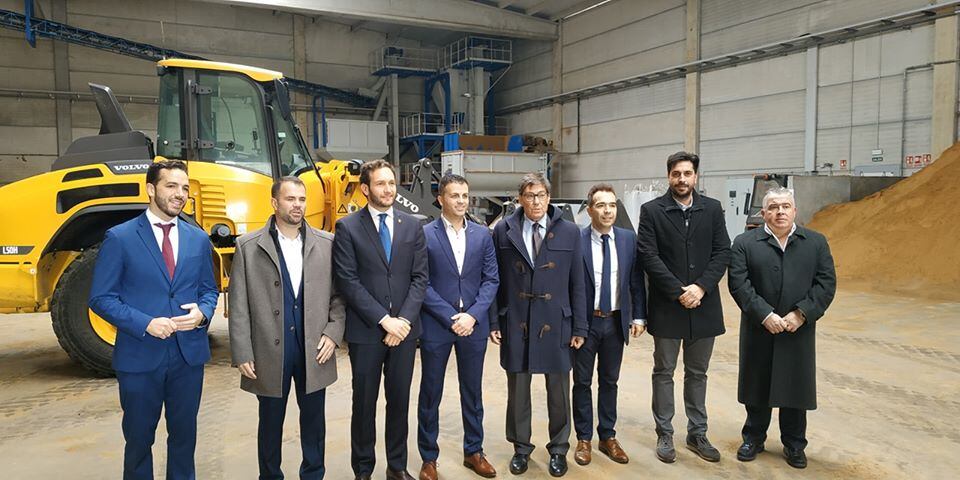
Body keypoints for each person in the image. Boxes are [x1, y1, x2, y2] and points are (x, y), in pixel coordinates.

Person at [89, 160, 219, 479]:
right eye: (171, 186)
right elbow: (101, 298)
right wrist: (145, 323)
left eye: (185, 188)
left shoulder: (198, 239)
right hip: (140, 356)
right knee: (138, 441)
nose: (180, 194)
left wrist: (202, 313)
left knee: (184, 440)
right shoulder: (120, 237)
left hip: (187, 358)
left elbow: (209, 290)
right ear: (150, 189)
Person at [228, 176, 345, 479]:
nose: (297, 205)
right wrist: (242, 351)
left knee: (314, 422)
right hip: (269, 350)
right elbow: (238, 304)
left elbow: (339, 296)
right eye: (290, 199)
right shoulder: (248, 247)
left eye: (301, 199)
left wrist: (333, 333)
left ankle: (313, 474)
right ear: (274, 202)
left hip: (314, 349)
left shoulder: (326, 243)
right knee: (270, 423)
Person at [332, 159, 428, 480]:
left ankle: (397, 467)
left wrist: (403, 322)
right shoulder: (348, 228)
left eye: (391, 183)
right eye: (380, 184)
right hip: (366, 332)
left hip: (404, 332)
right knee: (364, 404)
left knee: (399, 401)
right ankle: (363, 470)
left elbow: (420, 278)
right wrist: (385, 321)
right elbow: (348, 281)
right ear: (365, 189)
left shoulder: (412, 226)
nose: (388, 190)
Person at [727, 186, 836, 469]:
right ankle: (753, 438)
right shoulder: (745, 243)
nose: (780, 212)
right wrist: (764, 314)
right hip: (760, 328)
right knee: (757, 386)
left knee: (795, 388)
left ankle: (795, 444)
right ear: (763, 213)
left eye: (785, 206)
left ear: (795, 211)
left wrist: (802, 314)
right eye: (773, 207)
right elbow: (739, 283)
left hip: (796, 330)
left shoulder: (815, 243)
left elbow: (826, 284)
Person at [636, 151, 731, 464]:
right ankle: (664, 433)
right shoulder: (652, 211)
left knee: (697, 372)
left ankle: (697, 433)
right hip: (667, 305)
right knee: (664, 371)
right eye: (676, 174)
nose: (681, 179)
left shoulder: (712, 209)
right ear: (669, 176)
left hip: (704, 304)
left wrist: (701, 287)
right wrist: (679, 291)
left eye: (687, 173)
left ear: (695, 176)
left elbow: (723, 251)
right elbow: (648, 256)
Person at [490, 172, 587, 478]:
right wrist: (494, 320)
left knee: (558, 392)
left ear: (549, 197)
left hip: (557, 323)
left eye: (541, 195)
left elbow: (578, 283)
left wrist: (580, 327)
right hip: (517, 322)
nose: (536, 201)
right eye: (530, 195)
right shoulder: (503, 230)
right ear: (520, 198)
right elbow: (494, 280)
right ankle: (521, 448)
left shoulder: (570, 231)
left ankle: (558, 449)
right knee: (518, 392)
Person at [417, 174, 499, 480]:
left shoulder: (482, 235)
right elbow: (421, 282)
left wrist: (473, 316)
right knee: (431, 392)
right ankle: (429, 458)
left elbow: (491, 279)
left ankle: (474, 451)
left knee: (472, 391)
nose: (461, 201)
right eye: (455, 195)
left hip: (473, 326)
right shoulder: (425, 234)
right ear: (441, 199)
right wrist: (451, 317)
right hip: (437, 326)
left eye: (465, 195)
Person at [572, 184, 647, 467]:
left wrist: (638, 316)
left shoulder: (627, 239)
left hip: (615, 322)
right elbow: (570, 285)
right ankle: (583, 438)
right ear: (590, 209)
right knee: (582, 382)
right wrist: (575, 326)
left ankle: (607, 436)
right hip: (586, 323)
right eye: (601, 205)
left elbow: (635, 281)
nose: (607, 211)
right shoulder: (577, 240)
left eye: (612, 205)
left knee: (609, 381)